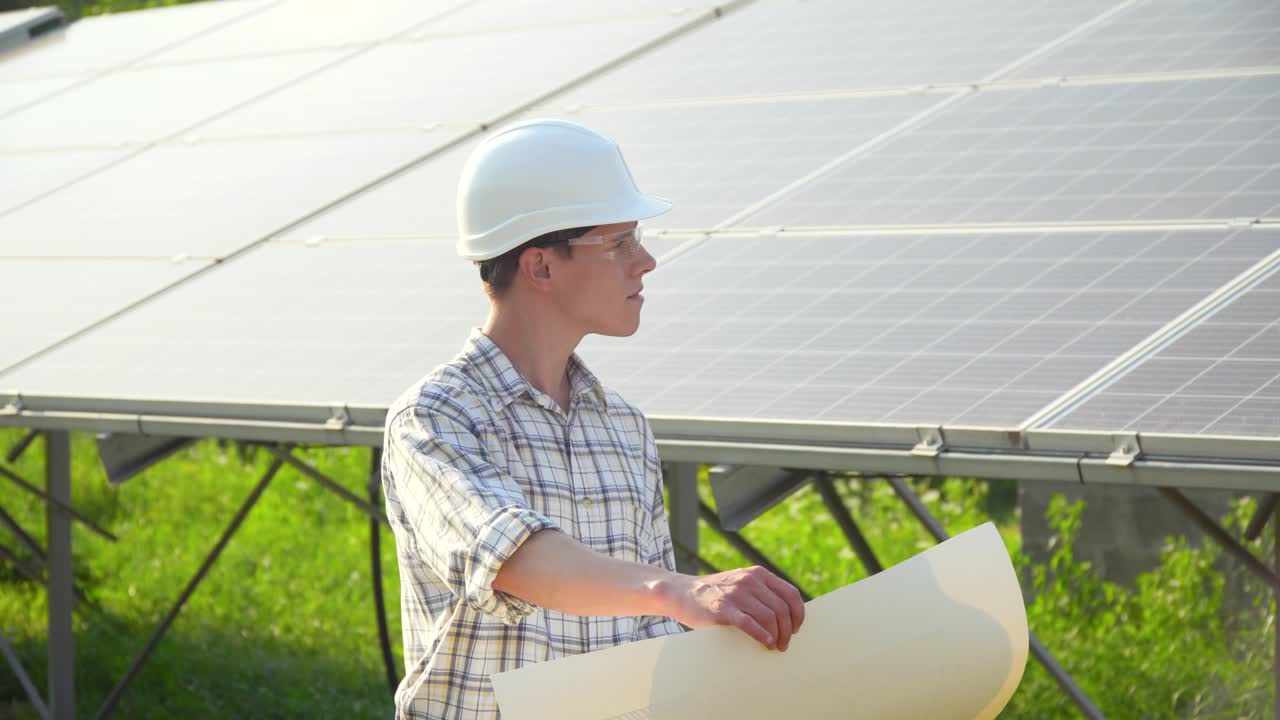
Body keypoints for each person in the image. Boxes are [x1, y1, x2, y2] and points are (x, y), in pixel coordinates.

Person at [381, 119, 805, 719]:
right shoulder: (434, 420)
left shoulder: (624, 427)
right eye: (619, 243)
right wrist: (677, 591)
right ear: (541, 267)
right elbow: (513, 559)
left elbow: (651, 637)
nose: (647, 261)